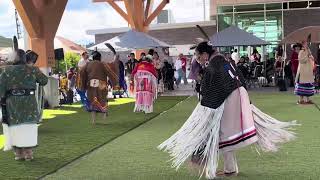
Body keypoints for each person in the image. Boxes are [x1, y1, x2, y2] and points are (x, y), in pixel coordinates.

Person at [158, 42, 297, 179]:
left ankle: (230, 169)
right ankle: (230, 168)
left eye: (198, 56)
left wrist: (205, 104)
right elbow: (239, 79)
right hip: (238, 94)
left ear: (205, 54)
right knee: (224, 132)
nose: (197, 60)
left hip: (230, 97)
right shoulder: (224, 59)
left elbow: (211, 88)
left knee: (223, 132)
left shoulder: (214, 65)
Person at [0, 48, 48, 161]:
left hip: (12, 103)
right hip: (29, 103)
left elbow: (1, 88)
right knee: (28, 127)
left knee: (15, 127)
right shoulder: (32, 69)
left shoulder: (6, 71)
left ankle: (18, 154)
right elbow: (44, 81)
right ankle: (29, 153)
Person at [80, 51, 118, 124]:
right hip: (101, 85)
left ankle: (93, 121)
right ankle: (104, 121)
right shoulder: (103, 64)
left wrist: (83, 85)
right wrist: (115, 83)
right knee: (103, 101)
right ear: (100, 57)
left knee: (93, 102)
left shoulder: (88, 64)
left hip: (91, 85)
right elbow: (110, 73)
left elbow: (81, 72)